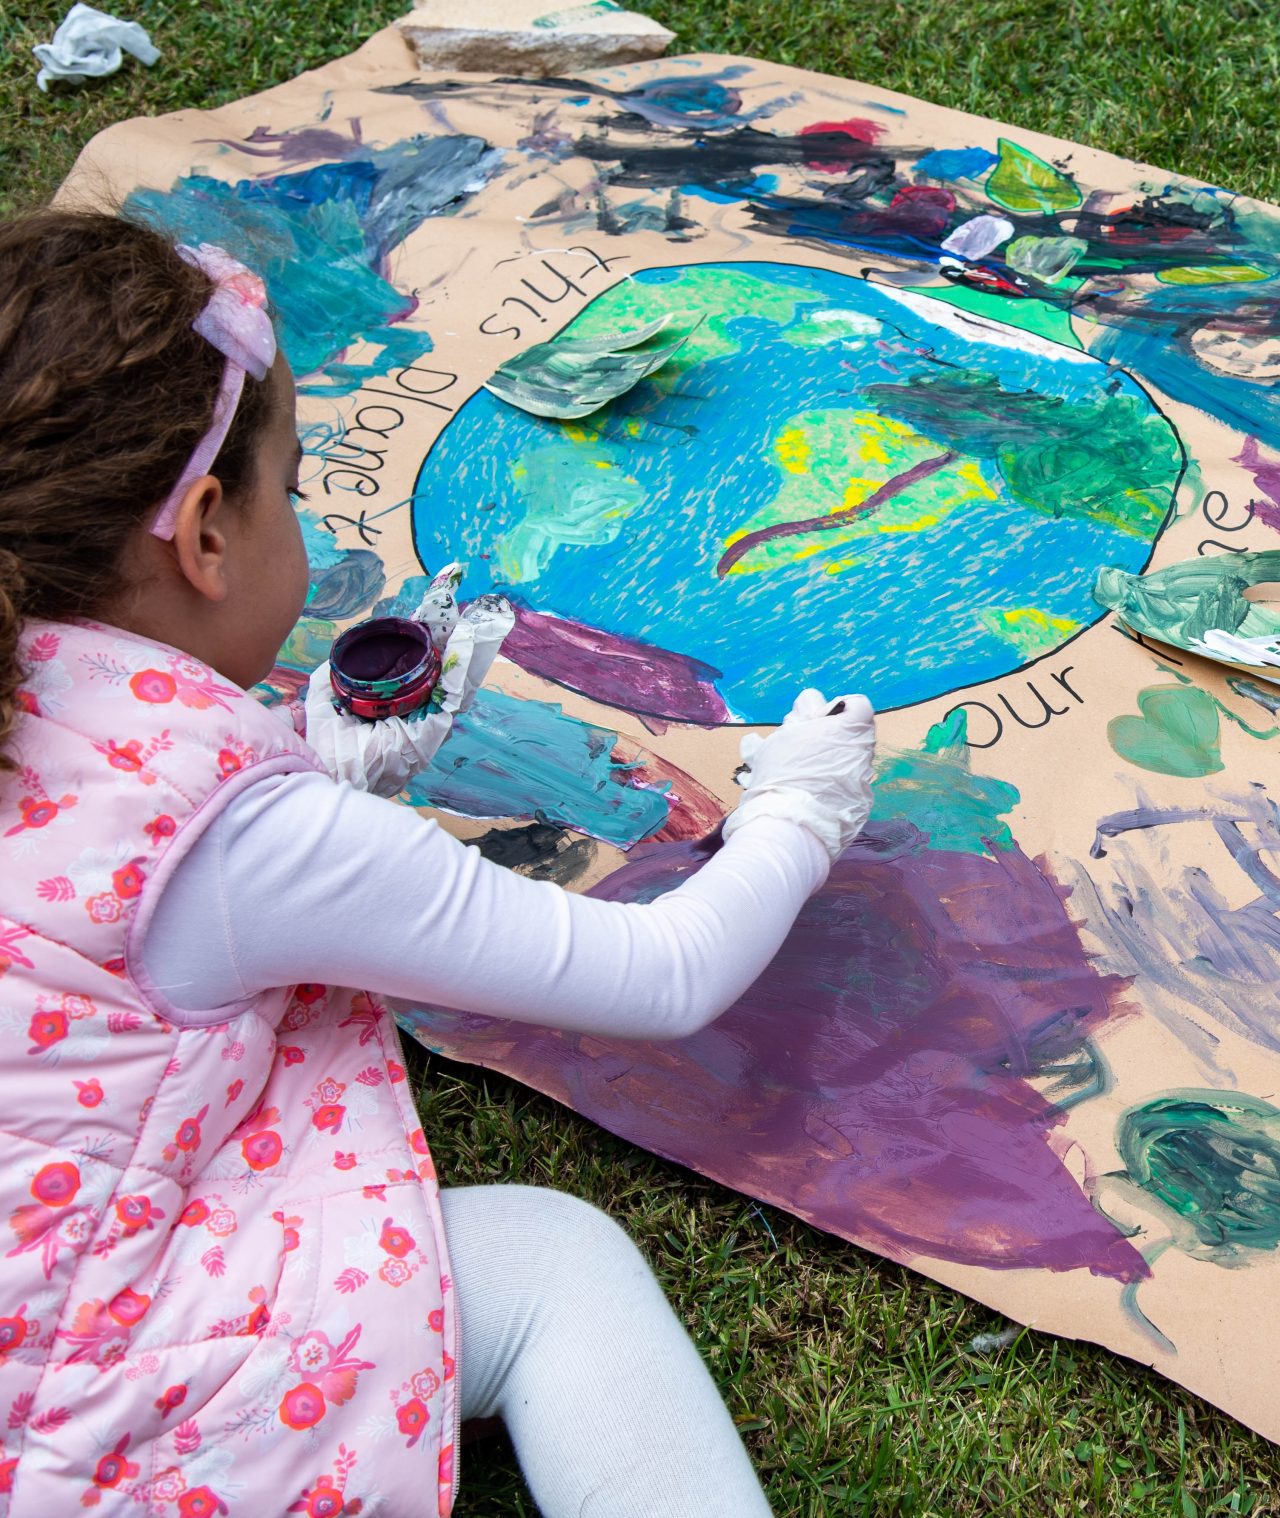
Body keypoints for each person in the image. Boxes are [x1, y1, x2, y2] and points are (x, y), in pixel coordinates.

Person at [0, 210, 878, 1515]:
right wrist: (800, 814)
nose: (301, 512)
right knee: (551, 1270)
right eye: (291, 486)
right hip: (70, 1409)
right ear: (202, 535)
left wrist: (327, 770)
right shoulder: (249, 843)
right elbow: (665, 974)